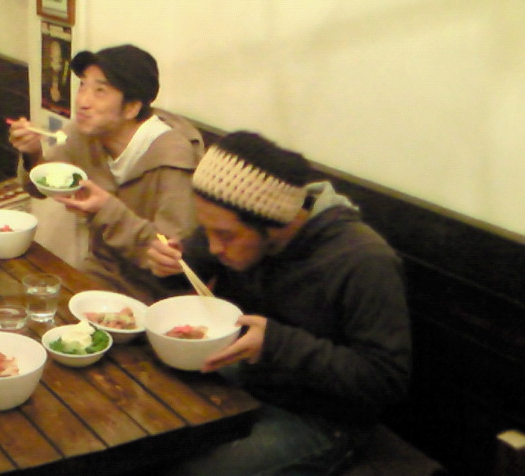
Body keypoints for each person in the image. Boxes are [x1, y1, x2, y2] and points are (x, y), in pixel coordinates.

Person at [146, 131, 412, 475]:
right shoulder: (233, 221)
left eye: (224, 235)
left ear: (273, 225)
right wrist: (171, 266)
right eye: (206, 230)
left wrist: (277, 343)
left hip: (320, 418)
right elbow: (194, 263)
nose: (213, 246)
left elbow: (385, 379)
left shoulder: (363, 260)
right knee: (146, 423)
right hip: (251, 378)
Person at [9, 44, 202, 303]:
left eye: (100, 91)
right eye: (83, 85)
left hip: (156, 294)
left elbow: (168, 255)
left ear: (131, 107)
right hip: (100, 274)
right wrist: (33, 153)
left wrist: (106, 209)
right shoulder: (83, 135)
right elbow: (40, 187)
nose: (82, 101)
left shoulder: (173, 157)